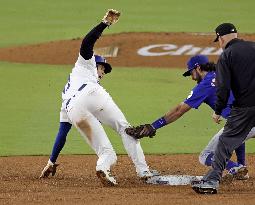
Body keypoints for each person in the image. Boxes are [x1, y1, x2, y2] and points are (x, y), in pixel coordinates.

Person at [40, 9, 155, 186]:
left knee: (107, 153)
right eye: (102, 68)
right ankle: (144, 171)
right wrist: (104, 24)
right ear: (96, 64)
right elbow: (86, 43)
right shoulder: (87, 63)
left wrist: (51, 161)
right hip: (92, 93)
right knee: (126, 129)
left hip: (74, 110)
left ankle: (103, 167)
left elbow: (62, 133)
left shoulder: (66, 94)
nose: (103, 73)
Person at [126, 54, 255, 182]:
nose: (192, 78)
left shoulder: (206, 84)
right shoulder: (225, 73)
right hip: (247, 120)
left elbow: (179, 110)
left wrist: (154, 125)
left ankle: (236, 168)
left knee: (206, 156)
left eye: (191, 73)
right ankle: (241, 168)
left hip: (243, 123)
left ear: (198, 68)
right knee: (236, 132)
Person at [192, 23, 255, 194]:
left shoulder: (227, 55)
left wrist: (218, 110)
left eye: (218, 40)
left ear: (221, 38)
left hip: (244, 108)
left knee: (224, 142)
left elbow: (223, 88)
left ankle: (212, 181)